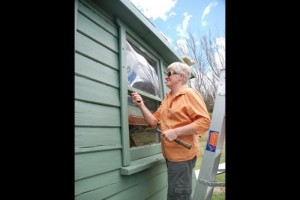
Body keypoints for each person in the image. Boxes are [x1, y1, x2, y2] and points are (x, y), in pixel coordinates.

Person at [131, 62, 211, 200]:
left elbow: (204, 122)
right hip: (170, 155)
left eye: (169, 73)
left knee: (178, 195)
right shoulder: (168, 98)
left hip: (182, 156)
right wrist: (141, 105)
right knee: (176, 192)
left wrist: (175, 132)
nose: (166, 77)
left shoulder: (189, 94)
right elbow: (153, 121)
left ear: (181, 77)